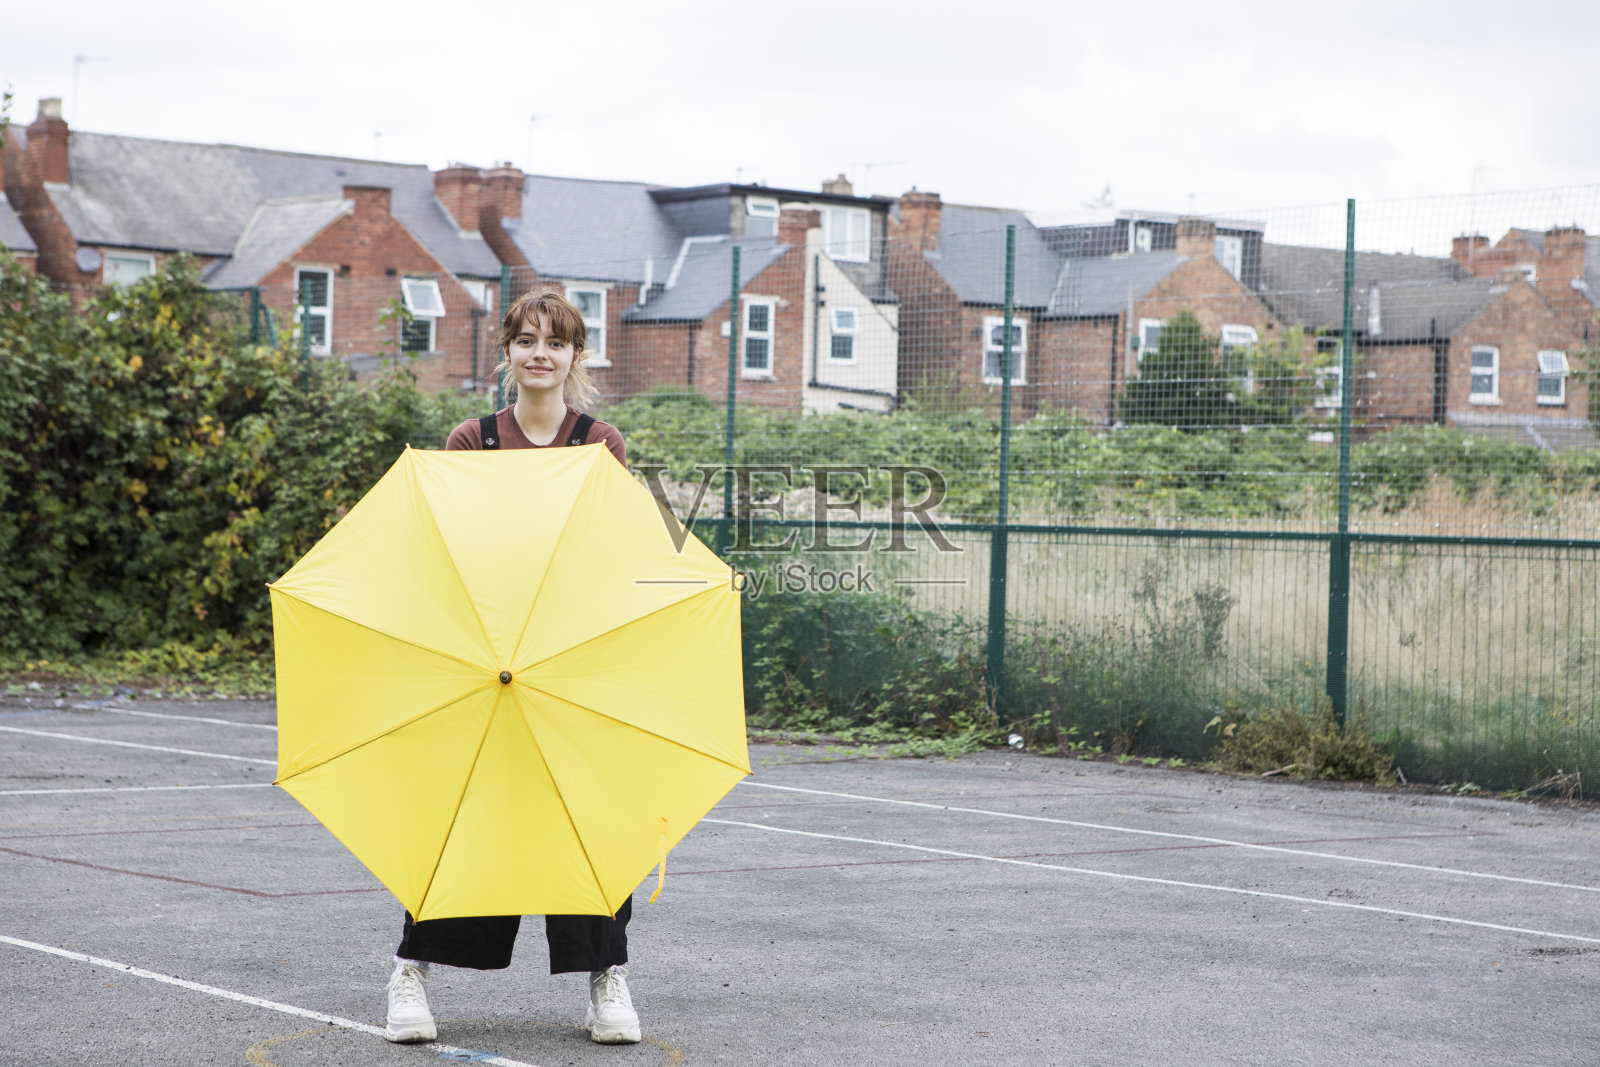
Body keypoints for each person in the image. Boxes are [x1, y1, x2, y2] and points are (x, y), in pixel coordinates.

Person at [384, 288, 638, 1046]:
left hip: (572, 658)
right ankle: (411, 971)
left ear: (574, 356)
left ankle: (606, 976)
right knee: (463, 815)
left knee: (589, 819)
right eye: (525, 339)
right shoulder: (473, 441)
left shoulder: (602, 443)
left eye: (553, 342)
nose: (538, 353)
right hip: (487, 655)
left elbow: (610, 550)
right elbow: (458, 548)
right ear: (506, 352)